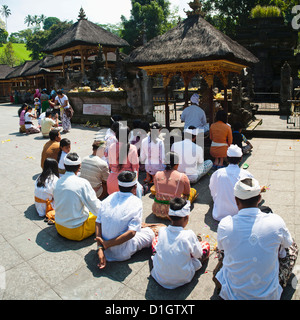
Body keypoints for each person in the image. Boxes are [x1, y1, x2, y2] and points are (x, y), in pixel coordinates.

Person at [214, 177, 298, 300]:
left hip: (232, 295)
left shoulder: (225, 224)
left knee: (223, 250)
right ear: (259, 199)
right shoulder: (276, 222)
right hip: (269, 296)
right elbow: (286, 246)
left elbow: (221, 250)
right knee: (292, 245)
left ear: (236, 200)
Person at [95, 171, 156, 269]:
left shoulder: (108, 198)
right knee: (150, 233)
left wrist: (100, 248)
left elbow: (98, 222)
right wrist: (107, 244)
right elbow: (132, 233)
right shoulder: (136, 202)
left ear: (119, 186)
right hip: (122, 252)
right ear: (135, 187)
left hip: (104, 249)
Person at [151, 198, 210, 289]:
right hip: (183, 278)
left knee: (155, 240)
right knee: (205, 245)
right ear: (186, 217)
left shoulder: (162, 231)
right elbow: (198, 254)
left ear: (169, 217)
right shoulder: (189, 234)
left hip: (160, 277)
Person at [54, 153, 102, 241]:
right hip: (76, 232)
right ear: (79, 166)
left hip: (59, 227)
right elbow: (96, 207)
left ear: (64, 165)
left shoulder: (57, 182)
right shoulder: (82, 183)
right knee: (100, 215)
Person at [209, 144, 254, 221]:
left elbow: (212, 190)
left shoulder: (218, 173)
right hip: (240, 213)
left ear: (227, 158)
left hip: (220, 214)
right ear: (241, 159)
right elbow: (252, 193)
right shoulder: (246, 174)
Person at [151, 151, 197, 219]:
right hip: (174, 211)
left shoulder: (157, 174)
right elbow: (187, 193)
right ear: (177, 164)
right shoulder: (182, 176)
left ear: (165, 163)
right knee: (192, 191)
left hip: (157, 211)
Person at [107, 126, 142, 198]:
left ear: (116, 136)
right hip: (127, 184)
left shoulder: (111, 147)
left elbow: (110, 165)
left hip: (111, 182)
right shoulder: (132, 148)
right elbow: (135, 169)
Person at [34, 158, 59, 225]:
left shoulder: (39, 177)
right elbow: (57, 196)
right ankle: (51, 215)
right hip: (47, 206)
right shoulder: (55, 179)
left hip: (39, 207)